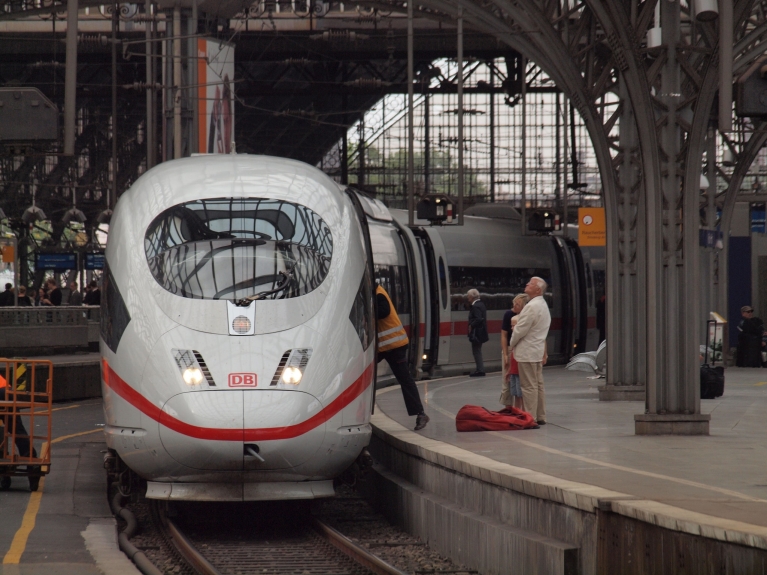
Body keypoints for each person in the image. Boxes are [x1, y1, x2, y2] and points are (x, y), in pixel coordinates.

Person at [376, 283, 429, 431]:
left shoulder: (378, 294)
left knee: (405, 380)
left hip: (394, 346)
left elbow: (384, 311)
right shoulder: (377, 291)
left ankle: (421, 413)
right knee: (364, 375)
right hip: (384, 346)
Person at [509, 277, 551, 425]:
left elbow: (520, 330)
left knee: (528, 386)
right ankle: (541, 415)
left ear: (538, 290)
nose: (526, 284)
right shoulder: (543, 305)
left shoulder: (531, 306)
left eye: (530, 283)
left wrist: (511, 344)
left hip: (527, 352)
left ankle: (530, 417)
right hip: (537, 351)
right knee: (538, 384)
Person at [500, 293, 529, 409]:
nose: (514, 306)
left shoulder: (527, 316)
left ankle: (520, 408)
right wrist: (506, 354)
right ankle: (508, 406)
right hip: (510, 348)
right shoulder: (508, 314)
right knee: (507, 379)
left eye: (518, 304)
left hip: (523, 349)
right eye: (514, 303)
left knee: (520, 380)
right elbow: (504, 335)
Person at [466, 289, 489, 377]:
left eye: (468, 296)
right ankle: (480, 369)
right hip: (481, 332)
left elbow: (478, 319)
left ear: (472, 296)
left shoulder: (475, 306)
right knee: (477, 350)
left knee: (476, 351)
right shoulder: (481, 304)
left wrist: (471, 325)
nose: (468, 298)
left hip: (477, 333)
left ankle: (480, 370)